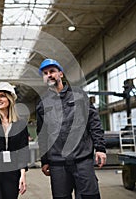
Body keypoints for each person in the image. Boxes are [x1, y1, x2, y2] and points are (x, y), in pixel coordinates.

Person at [36, 59, 107, 199]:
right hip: (57, 164)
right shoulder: (42, 105)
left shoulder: (80, 96)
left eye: (52, 71)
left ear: (60, 74)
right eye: (45, 73)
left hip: (82, 160)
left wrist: (100, 148)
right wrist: (45, 161)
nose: (49, 75)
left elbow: (94, 123)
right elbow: (43, 135)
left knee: (90, 196)